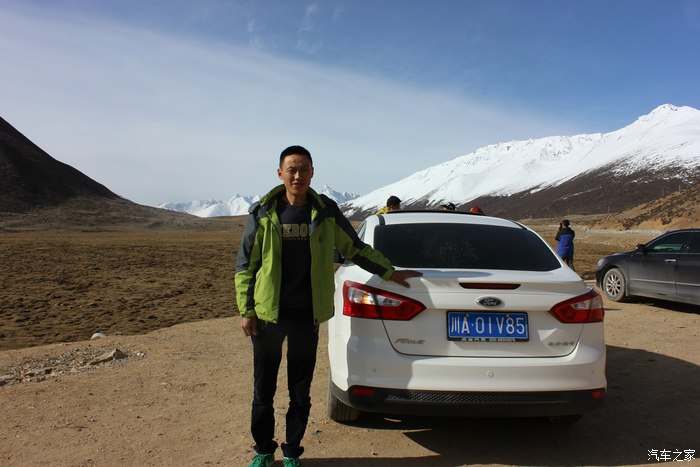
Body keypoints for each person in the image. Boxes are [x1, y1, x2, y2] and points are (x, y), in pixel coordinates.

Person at [235, 146, 422, 467]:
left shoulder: (325, 211)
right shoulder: (263, 212)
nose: (298, 175)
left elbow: (355, 248)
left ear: (312, 173)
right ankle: (263, 451)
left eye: (304, 169)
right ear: (280, 173)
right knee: (263, 389)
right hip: (268, 316)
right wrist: (246, 310)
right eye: (291, 169)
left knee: (300, 389)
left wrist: (389, 272)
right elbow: (245, 265)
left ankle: (291, 450)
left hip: (306, 314)